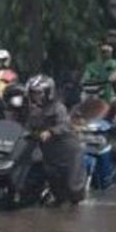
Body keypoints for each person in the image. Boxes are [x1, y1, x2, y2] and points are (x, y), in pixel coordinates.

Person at [23, 74, 83, 205]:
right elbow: (27, 127)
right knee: (57, 193)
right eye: (33, 93)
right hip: (49, 155)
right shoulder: (33, 111)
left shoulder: (58, 108)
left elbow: (64, 125)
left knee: (73, 191)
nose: (35, 97)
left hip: (68, 153)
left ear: (48, 93)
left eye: (39, 93)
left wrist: (51, 132)